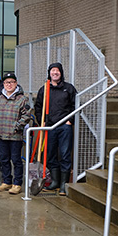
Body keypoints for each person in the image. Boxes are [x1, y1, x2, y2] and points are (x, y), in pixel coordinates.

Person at [34, 62, 78, 196]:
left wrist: (70, 121)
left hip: (65, 126)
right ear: (49, 73)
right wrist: (41, 121)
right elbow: (38, 106)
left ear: (61, 73)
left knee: (65, 154)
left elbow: (75, 106)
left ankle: (64, 184)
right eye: (52, 71)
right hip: (50, 126)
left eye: (57, 71)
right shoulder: (45, 89)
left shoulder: (68, 88)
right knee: (50, 154)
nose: (55, 73)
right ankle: (55, 182)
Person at [0, 72, 31, 194]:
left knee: (16, 160)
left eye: (12, 82)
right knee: (4, 159)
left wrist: (17, 127)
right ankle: (6, 181)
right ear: (3, 84)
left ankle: (17, 183)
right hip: (1, 134)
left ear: (16, 83)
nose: (9, 85)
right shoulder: (0, 98)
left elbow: (26, 116)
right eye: (6, 82)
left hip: (15, 135)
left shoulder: (22, 99)